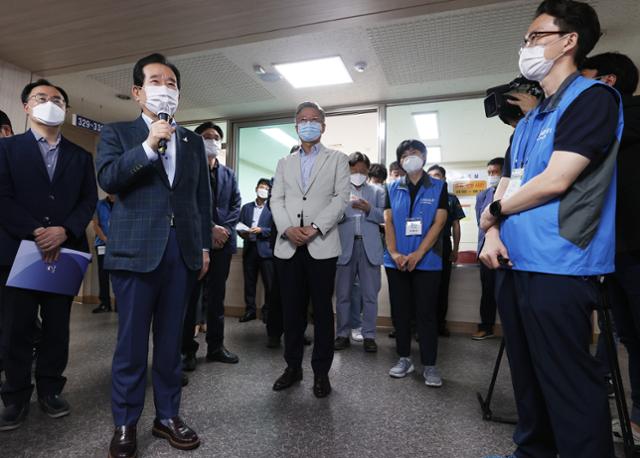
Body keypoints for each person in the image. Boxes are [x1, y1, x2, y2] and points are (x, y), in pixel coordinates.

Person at [480, 1, 623, 457]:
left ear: (569, 41)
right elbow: (508, 180)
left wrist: (496, 212)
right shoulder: (529, 121)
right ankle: (531, 451)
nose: (527, 46)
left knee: (569, 385)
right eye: (525, 39)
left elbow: (557, 180)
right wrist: (491, 233)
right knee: (527, 379)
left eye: (536, 36)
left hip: (560, 266)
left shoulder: (593, 98)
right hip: (514, 263)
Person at [96, 53, 212, 457]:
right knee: (130, 345)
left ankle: (167, 416)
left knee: (169, 344)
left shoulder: (193, 141)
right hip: (134, 253)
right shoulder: (117, 134)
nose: (166, 88)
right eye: (157, 81)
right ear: (138, 92)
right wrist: (147, 145)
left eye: (172, 83)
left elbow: (201, 199)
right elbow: (109, 179)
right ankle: (126, 423)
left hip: (180, 256)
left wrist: (201, 247)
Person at [0, 79, 97, 430]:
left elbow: (88, 200)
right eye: (41, 98)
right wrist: (37, 231)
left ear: (65, 109)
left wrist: (65, 229)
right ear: (27, 106)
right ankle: (15, 396)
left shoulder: (81, 156)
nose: (49, 103)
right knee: (16, 328)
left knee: (57, 328)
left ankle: (51, 389)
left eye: (57, 99)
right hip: (19, 250)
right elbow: (3, 197)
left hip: (66, 250)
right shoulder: (7, 150)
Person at [270, 101, 350, 398]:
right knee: (291, 312)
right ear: (295, 126)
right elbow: (276, 200)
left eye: (314, 119)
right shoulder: (284, 163)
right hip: (288, 246)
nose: (309, 123)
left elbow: (341, 199)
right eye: (303, 119)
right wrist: (287, 229)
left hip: (322, 245)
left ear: (323, 126)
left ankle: (321, 373)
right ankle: (293, 368)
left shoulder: (338, 159)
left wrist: (315, 227)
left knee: (322, 314)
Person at [582, 52, 640, 441]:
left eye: (585, 82)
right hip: (615, 250)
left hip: (636, 248)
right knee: (630, 337)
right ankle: (636, 418)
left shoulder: (629, 117)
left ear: (608, 83)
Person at [385, 140, 448, 387]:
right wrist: (394, 252)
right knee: (400, 314)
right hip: (396, 261)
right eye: (405, 154)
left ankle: (430, 365)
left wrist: (418, 254)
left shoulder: (439, 186)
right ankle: (403, 359)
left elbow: (439, 222)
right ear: (400, 160)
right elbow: (388, 222)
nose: (410, 156)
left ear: (424, 156)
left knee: (426, 315)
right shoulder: (391, 188)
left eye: (415, 153)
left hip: (427, 262)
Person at [181, 121, 240, 370]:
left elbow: (236, 206)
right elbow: (188, 205)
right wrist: (209, 229)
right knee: (191, 298)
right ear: (197, 141)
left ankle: (216, 346)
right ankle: (187, 351)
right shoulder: (187, 170)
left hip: (223, 244)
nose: (212, 140)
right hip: (195, 242)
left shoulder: (228, 174)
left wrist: (221, 230)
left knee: (217, 298)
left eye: (216, 137)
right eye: (206, 136)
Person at [334, 152, 385, 353]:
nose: (358, 174)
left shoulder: (377, 191)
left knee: (370, 295)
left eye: (362, 171)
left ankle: (369, 336)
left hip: (369, 247)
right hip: (344, 247)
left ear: (367, 171)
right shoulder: (338, 191)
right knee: (343, 295)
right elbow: (329, 216)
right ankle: (342, 334)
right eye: (353, 170)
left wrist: (369, 209)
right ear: (347, 170)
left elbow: (385, 217)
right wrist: (342, 211)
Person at [426, 164, 465, 337]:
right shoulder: (422, 197)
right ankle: (420, 326)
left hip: (443, 245)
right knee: (424, 287)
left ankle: (440, 324)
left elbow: (456, 225)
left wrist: (456, 249)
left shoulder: (451, 198)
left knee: (442, 287)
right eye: (430, 176)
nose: (434, 179)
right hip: (423, 246)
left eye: (437, 175)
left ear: (444, 179)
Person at [471, 158, 504, 340]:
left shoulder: (512, 191)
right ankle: (486, 326)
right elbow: (481, 222)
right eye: (490, 172)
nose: (492, 176)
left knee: (509, 291)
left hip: (508, 250)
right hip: (487, 249)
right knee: (488, 291)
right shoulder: (482, 196)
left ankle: (514, 328)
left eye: (496, 172)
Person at [238, 178, 274, 323]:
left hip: (266, 250)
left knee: (269, 284)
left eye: (266, 188)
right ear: (256, 188)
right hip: (249, 248)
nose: (263, 190)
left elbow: (274, 230)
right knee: (249, 282)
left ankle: (268, 312)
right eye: (261, 187)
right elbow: (239, 225)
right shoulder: (246, 208)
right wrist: (242, 233)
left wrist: (261, 230)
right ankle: (250, 311)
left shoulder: (272, 209)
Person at [92, 194, 115, 314]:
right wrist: (106, 240)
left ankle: (120, 304)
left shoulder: (123, 202)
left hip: (119, 245)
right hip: (102, 244)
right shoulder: (99, 204)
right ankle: (105, 303)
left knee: (118, 274)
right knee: (103, 274)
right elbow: (95, 225)